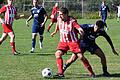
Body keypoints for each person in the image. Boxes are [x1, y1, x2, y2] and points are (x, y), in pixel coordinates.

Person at [50, 7, 95, 78]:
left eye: (61, 14)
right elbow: (56, 22)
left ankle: (92, 73)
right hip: (63, 42)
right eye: (59, 14)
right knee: (58, 54)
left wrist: (80, 30)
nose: (60, 15)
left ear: (66, 14)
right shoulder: (59, 18)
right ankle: (60, 73)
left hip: (73, 42)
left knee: (81, 57)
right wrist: (55, 31)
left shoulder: (72, 21)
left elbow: (77, 26)